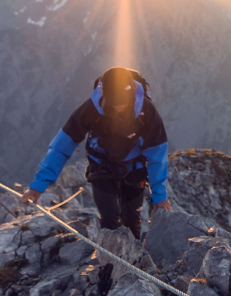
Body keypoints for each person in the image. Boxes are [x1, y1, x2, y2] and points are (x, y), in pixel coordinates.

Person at [21, 66, 172, 237]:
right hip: (101, 166)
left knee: (132, 223)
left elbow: (157, 155)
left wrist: (159, 196)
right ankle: (109, 261)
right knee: (109, 218)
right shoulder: (92, 108)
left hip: (135, 169)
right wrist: (39, 185)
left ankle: (131, 258)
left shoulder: (147, 111)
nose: (120, 107)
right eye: (116, 103)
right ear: (106, 96)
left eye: (124, 101)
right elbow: (61, 146)